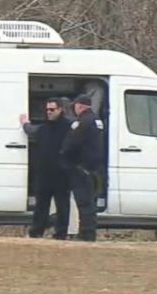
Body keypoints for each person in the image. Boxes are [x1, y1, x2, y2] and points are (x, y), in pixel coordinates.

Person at [21, 98, 73, 238]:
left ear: (60, 109)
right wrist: (25, 123)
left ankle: (61, 233)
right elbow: (31, 131)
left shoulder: (69, 127)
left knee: (62, 205)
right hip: (44, 174)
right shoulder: (44, 127)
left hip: (62, 174)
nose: (48, 112)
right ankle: (37, 231)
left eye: (52, 109)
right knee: (41, 206)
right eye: (47, 110)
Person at [60, 94, 105, 241]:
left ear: (79, 106)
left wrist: (63, 155)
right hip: (94, 168)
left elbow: (72, 143)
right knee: (90, 202)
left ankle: (86, 234)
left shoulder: (83, 122)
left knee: (84, 202)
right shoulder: (96, 120)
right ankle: (89, 232)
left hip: (82, 168)